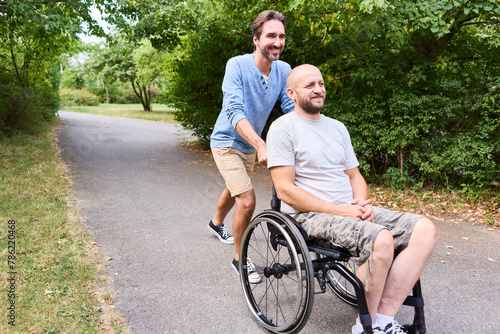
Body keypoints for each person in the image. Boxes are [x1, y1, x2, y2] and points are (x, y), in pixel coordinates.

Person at [266, 64, 436, 334]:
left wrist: (361, 204)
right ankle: (365, 326)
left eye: (320, 83)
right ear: (292, 93)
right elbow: (285, 190)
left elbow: (355, 176)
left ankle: (382, 319)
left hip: (348, 209)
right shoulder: (282, 128)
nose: (318, 89)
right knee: (380, 238)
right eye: (309, 85)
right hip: (308, 214)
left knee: (424, 229)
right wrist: (341, 211)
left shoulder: (337, 128)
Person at [208, 10, 295, 284]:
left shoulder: (284, 70)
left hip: (250, 144)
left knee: (236, 187)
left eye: (281, 36)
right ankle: (239, 258)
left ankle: (216, 223)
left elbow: (291, 107)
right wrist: (260, 143)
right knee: (247, 199)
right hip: (227, 141)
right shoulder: (237, 65)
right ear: (256, 40)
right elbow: (233, 110)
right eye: (271, 35)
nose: (277, 42)